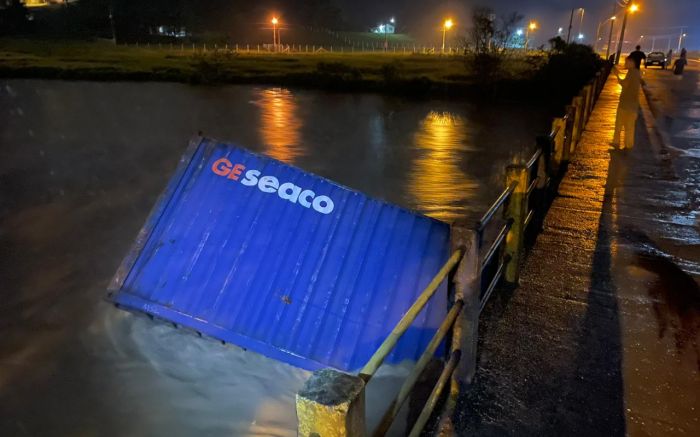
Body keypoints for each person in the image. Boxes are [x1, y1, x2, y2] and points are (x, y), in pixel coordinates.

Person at [612, 57, 644, 151]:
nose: (625, 64)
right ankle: (628, 146)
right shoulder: (637, 73)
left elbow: (625, 84)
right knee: (630, 128)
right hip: (633, 105)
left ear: (631, 63)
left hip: (625, 104)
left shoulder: (631, 73)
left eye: (627, 62)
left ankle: (616, 143)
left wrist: (617, 76)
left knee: (619, 125)